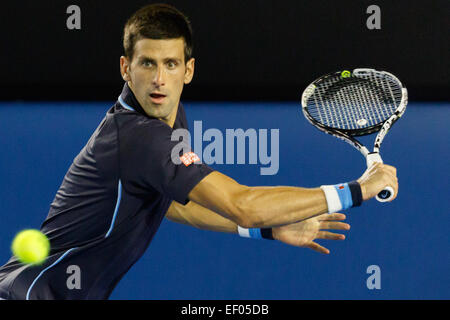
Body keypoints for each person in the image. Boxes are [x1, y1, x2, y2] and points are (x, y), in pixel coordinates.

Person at [0, 3, 398, 300]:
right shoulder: (141, 138)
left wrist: (269, 229)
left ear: (188, 70)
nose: (159, 79)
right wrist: (357, 190)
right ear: (125, 68)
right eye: (147, 64)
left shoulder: (166, 120)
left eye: (171, 64)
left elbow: (171, 204)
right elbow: (243, 203)